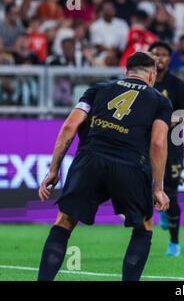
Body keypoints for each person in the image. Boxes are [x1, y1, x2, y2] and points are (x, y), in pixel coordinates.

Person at [37, 52, 172, 281]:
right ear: (152, 75)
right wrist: (157, 187)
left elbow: (70, 126)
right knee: (143, 227)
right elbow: (158, 143)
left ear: (126, 72)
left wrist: (54, 169)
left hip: (90, 160)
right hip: (130, 166)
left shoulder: (98, 88)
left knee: (64, 221)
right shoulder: (160, 100)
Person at [149, 41, 184, 257]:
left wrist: (171, 120)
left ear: (169, 58)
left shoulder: (176, 84)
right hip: (146, 144)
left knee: (172, 194)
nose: (160, 58)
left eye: (164, 55)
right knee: (143, 188)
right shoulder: (144, 82)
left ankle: (174, 243)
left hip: (172, 145)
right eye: (156, 54)